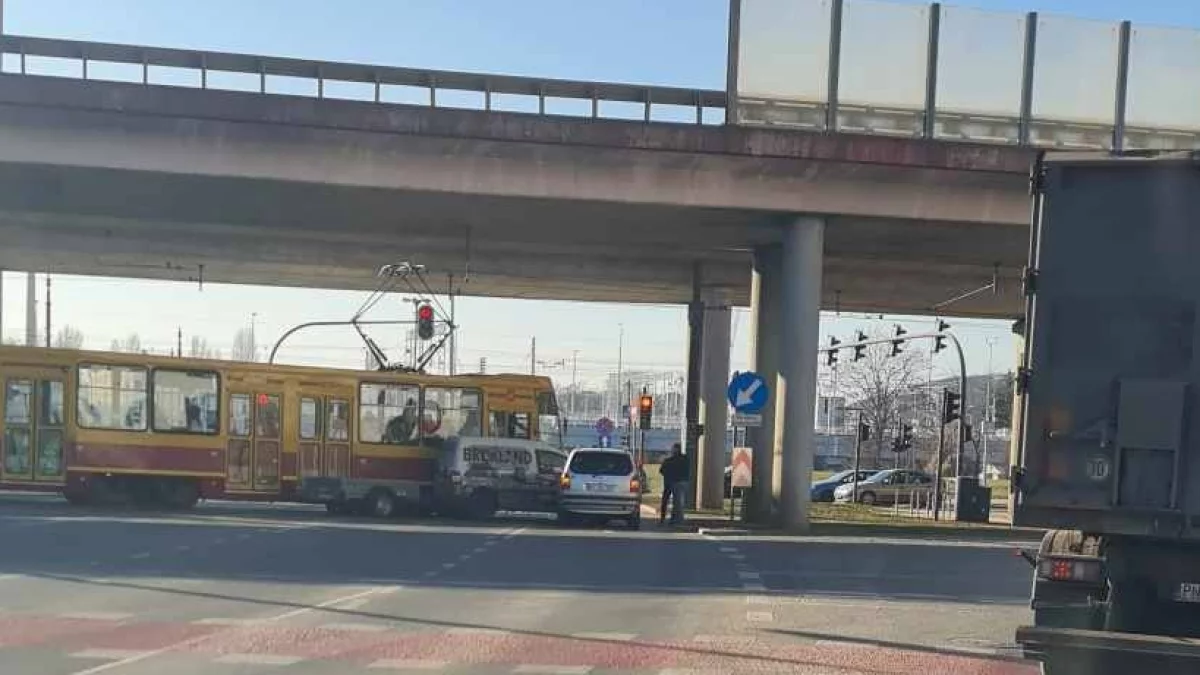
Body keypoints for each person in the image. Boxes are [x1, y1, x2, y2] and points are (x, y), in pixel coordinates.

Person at [658, 443, 689, 525]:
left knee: (669, 501)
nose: (674, 450)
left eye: (674, 449)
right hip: (676, 482)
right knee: (676, 502)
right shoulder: (684, 459)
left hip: (671, 483)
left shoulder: (668, 460)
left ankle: (665, 519)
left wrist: (668, 474)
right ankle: (672, 519)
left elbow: (661, 471)